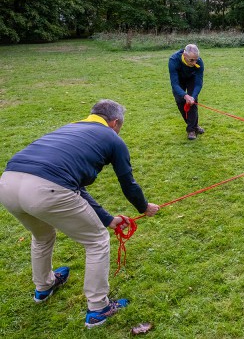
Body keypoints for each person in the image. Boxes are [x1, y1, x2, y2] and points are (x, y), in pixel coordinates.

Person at [0, 100, 160, 328]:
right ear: (115, 123)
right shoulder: (113, 138)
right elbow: (128, 183)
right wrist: (144, 207)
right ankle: (98, 309)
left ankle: (44, 286)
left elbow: (73, 186)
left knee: (42, 236)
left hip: (8, 183)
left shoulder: (71, 127)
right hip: (46, 189)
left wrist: (108, 220)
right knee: (97, 241)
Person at [169, 44, 205, 140]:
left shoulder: (199, 63)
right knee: (180, 100)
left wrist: (192, 96)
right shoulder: (174, 60)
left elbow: (198, 83)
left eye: (196, 59)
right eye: (191, 60)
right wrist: (185, 96)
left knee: (192, 102)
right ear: (184, 55)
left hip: (192, 79)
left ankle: (191, 129)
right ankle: (195, 125)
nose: (194, 62)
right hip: (179, 80)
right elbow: (174, 83)